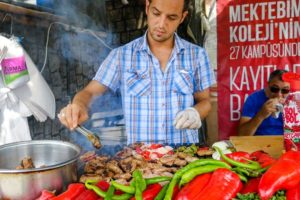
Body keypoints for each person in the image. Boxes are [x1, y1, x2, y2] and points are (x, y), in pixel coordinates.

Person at [58, 0, 215, 145]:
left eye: (171, 17)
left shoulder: (197, 55)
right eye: (156, 13)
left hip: (184, 157)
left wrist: (194, 112)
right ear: (147, 7)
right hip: (140, 161)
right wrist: (78, 105)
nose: (161, 24)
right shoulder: (122, 56)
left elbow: (205, 101)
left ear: (182, 17)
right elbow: (90, 92)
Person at [238, 69, 290, 136]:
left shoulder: (294, 100)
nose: (279, 94)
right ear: (268, 85)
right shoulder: (253, 99)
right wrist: (261, 115)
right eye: (275, 89)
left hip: (287, 142)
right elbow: (242, 135)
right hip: (259, 143)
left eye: (285, 90)